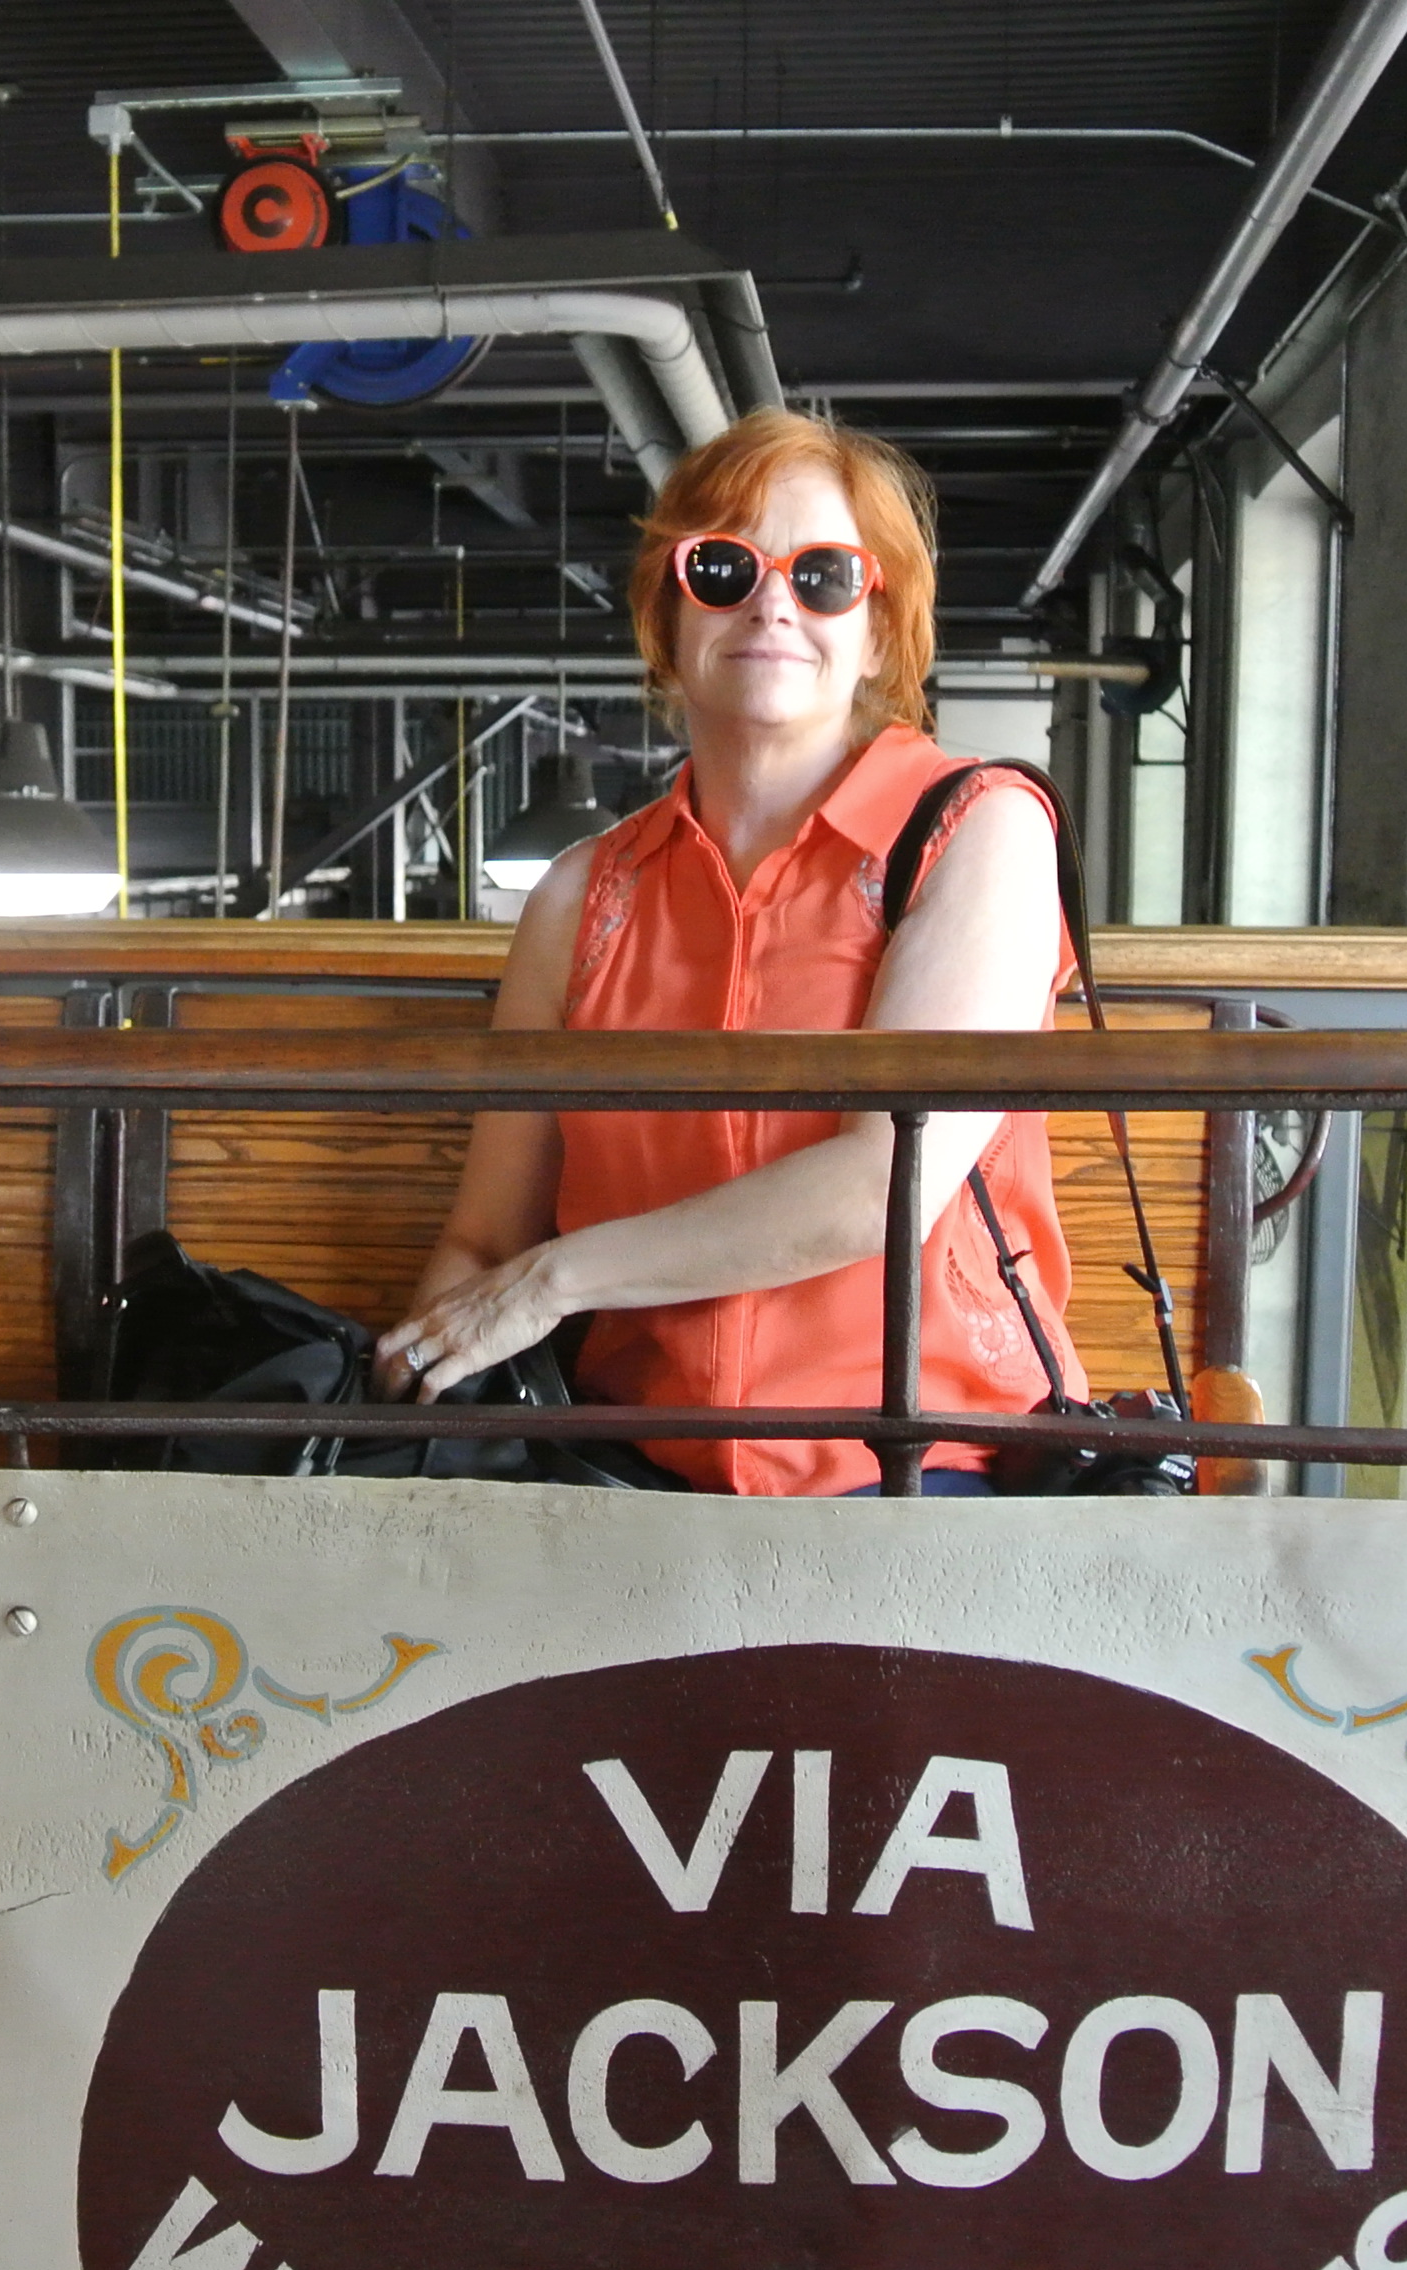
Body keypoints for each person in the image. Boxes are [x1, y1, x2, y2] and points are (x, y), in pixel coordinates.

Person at [371, 408, 1085, 1495]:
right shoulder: (578, 896)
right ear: (666, 616)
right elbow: (484, 1238)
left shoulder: (979, 830)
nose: (772, 603)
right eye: (722, 568)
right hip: (631, 1466)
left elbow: (882, 1185)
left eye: (824, 577)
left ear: (879, 632)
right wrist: (416, 1431)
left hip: (922, 1463)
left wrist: (553, 1281)